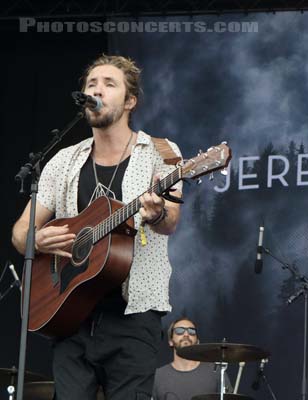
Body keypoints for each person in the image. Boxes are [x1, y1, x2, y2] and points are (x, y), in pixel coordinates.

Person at [11, 55, 183, 399]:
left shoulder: (162, 153)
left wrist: (157, 213)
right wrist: (38, 240)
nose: (97, 90)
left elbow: (170, 222)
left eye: (109, 83)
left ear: (130, 101)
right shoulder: (63, 161)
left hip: (133, 316)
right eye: (91, 84)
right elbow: (19, 234)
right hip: (70, 314)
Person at [153, 317, 233, 400]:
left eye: (191, 331)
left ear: (198, 341)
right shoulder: (158, 376)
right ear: (170, 341)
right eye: (179, 331)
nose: (186, 334)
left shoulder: (216, 371)